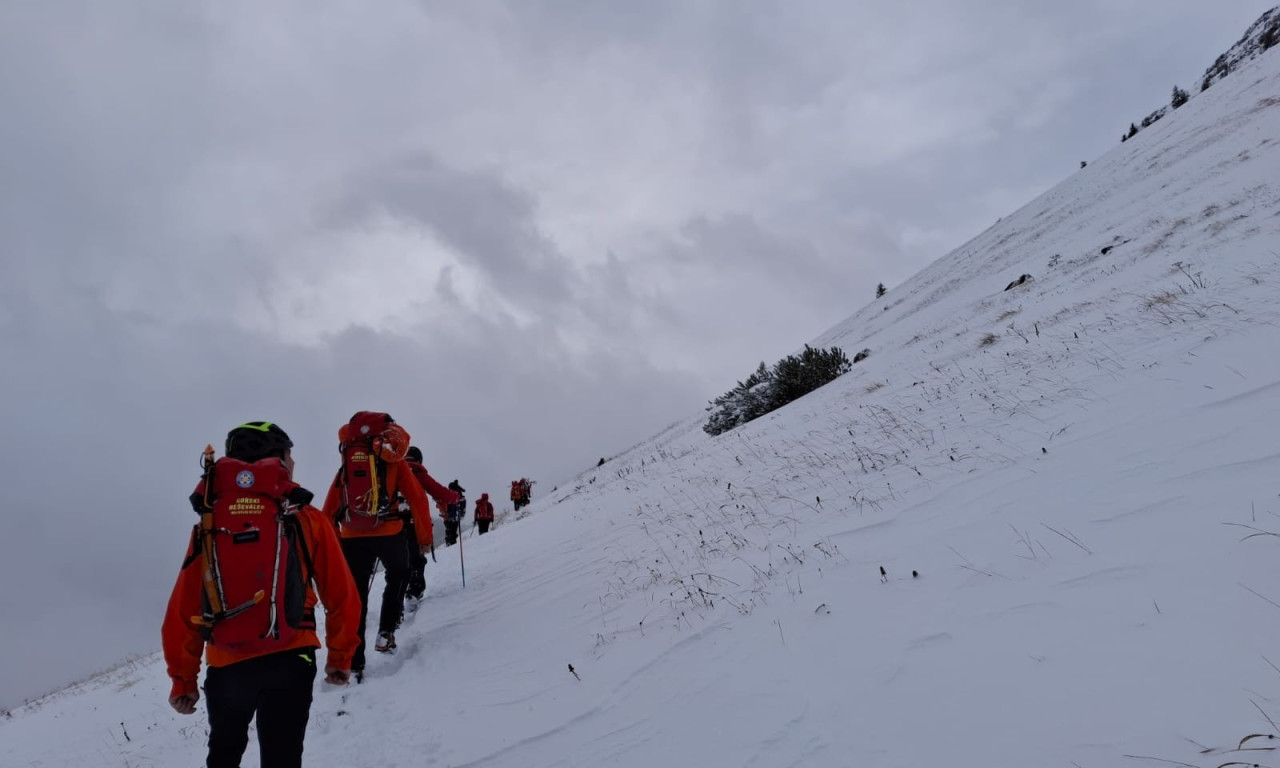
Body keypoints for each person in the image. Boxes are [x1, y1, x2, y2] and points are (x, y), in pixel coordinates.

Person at [162, 421, 360, 768]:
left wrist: (184, 679)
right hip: (292, 657)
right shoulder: (306, 518)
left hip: (226, 665)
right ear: (279, 459)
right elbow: (341, 594)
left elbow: (184, 606)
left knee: (223, 757)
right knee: (282, 757)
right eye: (290, 454)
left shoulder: (208, 525)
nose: (294, 462)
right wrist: (341, 658)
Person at [321, 412, 449, 677]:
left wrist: (332, 543)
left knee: (356, 596)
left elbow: (330, 507)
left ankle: (355, 662)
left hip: (352, 536)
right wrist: (425, 539)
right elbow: (417, 498)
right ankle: (386, 632)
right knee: (400, 574)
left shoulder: (347, 460)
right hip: (389, 532)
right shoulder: (395, 462)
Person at [402, 446, 455, 602]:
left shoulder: (393, 471)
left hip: (391, 525)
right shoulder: (418, 472)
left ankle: (396, 598)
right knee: (416, 559)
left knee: (397, 562)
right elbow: (439, 492)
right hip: (413, 524)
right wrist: (455, 497)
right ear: (419, 459)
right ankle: (414, 593)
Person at [444, 479, 466, 546]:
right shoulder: (459, 494)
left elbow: (446, 504)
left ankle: (450, 543)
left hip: (449, 516)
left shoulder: (451, 494)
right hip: (455, 516)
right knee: (452, 531)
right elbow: (462, 506)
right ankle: (452, 542)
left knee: (449, 530)